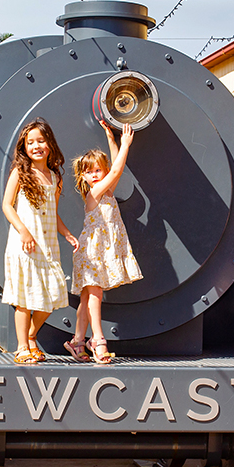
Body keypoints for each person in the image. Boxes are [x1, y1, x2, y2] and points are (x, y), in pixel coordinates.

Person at [2, 118, 79, 364]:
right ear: (24, 147)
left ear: (50, 144)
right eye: (30, 142)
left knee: (52, 295)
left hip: (47, 246)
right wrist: (23, 231)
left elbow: (52, 212)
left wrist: (67, 234)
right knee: (23, 298)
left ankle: (32, 336)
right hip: (24, 243)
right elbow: (6, 205)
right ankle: (22, 347)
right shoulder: (20, 172)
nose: (36, 146)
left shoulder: (55, 177)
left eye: (41, 141)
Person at [68, 121, 142, 364]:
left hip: (98, 250)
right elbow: (116, 170)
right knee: (95, 295)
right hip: (91, 252)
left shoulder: (107, 192)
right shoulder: (94, 193)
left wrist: (112, 140)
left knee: (87, 298)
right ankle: (97, 340)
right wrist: (126, 145)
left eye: (98, 171)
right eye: (89, 172)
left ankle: (78, 341)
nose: (94, 175)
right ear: (83, 175)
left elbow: (113, 167)